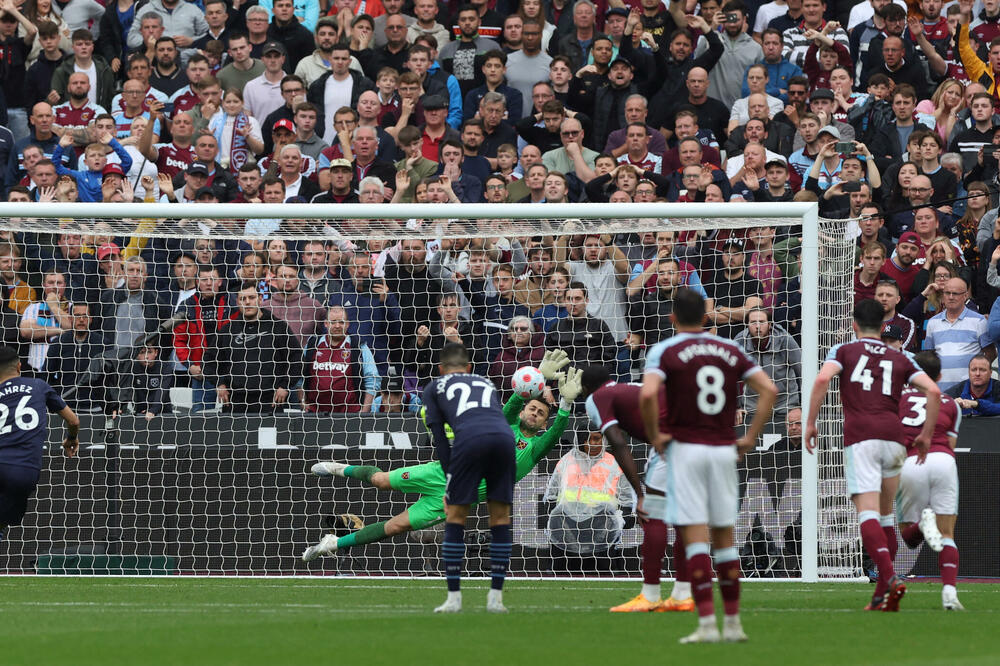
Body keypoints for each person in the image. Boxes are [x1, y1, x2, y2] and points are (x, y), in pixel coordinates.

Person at [303, 350, 577, 565]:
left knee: (395, 526)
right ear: (523, 411)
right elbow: (515, 400)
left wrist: (564, 405)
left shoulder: (534, 447)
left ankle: (332, 544)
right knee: (380, 480)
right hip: (442, 472)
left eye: (540, 414)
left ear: (543, 423)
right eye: (532, 408)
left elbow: (555, 433)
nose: (534, 414)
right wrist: (538, 375)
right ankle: (338, 468)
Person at [640, 288, 778, 643]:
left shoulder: (665, 350)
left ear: (672, 318)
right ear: (705, 317)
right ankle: (733, 624)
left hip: (686, 450)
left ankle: (705, 627)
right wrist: (748, 437)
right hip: (722, 450)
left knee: (695, 539)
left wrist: (656, 434)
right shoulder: (731, 349)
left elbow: (646, 394)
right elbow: (770, 390)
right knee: (725, 541)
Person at [805, 298, 942, 612]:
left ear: (854, 325)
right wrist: (925, 434)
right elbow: (933, 391)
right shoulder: (899, 356)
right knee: (885, 518)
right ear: (883, 327)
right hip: (894, 437)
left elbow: (823, 379)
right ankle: (882, 595)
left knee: (866, 514)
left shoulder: (843, 351)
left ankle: (890, 576)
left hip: (861, 437)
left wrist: (811, 423)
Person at [580, 364, 693, 613]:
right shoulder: (631, 388)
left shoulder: (596, 398)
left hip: (671, 442)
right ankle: (682, 595)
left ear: (586, 389)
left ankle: (650, 595)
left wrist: (639, 495)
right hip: (699, 438)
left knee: (653, 513)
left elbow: (618, 443)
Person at [420, 343, 513, 613]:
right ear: (469, 367)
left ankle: (454, 599)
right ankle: (496, 599)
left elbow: (439, 439)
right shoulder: (486, 383)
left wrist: (450, 482)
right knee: (500, 518)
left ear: (440, 369)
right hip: (503, 440)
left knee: (456, 516)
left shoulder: (434, 388)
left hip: (469, 440)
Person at [896, 351, 964, 610]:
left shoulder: (897, 399)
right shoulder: (951, 403)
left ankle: (923, 525)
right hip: (943, 461)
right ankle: (949, 593)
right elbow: (951, 443)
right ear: (940, 376)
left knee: (908, 538)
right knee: (947, 533)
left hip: (911, 462)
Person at [0, 346, 80, 547]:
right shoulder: (38, 385)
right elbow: (74, 421)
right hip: (25, 471)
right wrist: (71, 439)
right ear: (19, 366)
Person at [545, 427, 635, 573]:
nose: (593, 443)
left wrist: (622, 517)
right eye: (588, 439)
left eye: (597, 438)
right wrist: (552, 514)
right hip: (569, 518)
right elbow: (551, 493)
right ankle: (556, 568)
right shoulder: (566, 460)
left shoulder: (614, 463)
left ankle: (608, 568)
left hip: (602, 518)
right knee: (556, 520)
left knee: (610, 521)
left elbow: (626, 498)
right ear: (581, 441)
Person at [923, 277, 995, 391]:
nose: (951, 297)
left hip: (969, 391)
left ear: (965, 296)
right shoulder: (933, 322)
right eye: (947, 293)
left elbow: (990, 353)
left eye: (955, 294)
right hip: (940, 390)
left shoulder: (979, 321)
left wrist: (977, 375)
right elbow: (929, 356)